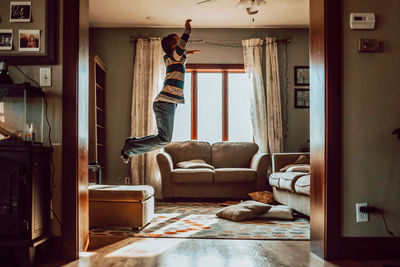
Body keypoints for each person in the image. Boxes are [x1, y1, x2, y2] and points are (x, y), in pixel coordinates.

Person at [121, 19, 200, 163]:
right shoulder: (174, 56)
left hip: (167, 103)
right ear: (173, 47)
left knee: (162, 137)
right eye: (178, 43)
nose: (181, 47)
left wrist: (187, 53)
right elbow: (180, 50)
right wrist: (187, 31)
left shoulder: (173, 58)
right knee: (164, 139)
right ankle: (129, 148)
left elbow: (180, 53)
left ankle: (131, 143)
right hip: (165, 103)